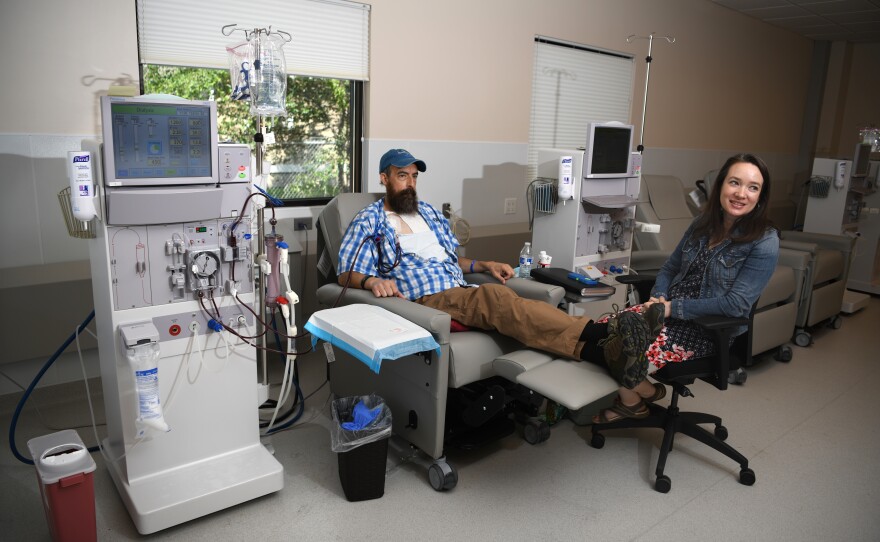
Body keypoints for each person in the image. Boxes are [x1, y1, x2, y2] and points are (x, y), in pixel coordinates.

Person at [337, 148, 665, 393]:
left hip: (459, 291)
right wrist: (372, 280)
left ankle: (606, 354)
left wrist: (484, 264)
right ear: (384, 178)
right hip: (426, 300)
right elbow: (344, 274)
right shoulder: (370, 220)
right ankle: (603, 331)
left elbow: (453, 261)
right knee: (498, 298)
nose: (410, 183)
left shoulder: (428, 214)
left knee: (511, 301)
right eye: (401, 176)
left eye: (414, 176)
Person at [591, 152, 780, 423]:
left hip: (706, 330)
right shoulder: (701, 224)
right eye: (734, 183)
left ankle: (636, 397)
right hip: (664, 314)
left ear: (761, 197)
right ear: (721, 187)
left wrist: (671, 308)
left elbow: (735, 305)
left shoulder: (765, 241)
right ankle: (641, 395)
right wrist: (657, 297)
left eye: (753, 188)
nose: (741, 193)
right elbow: (669, 269)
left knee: (621, 348)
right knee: (603, 331)